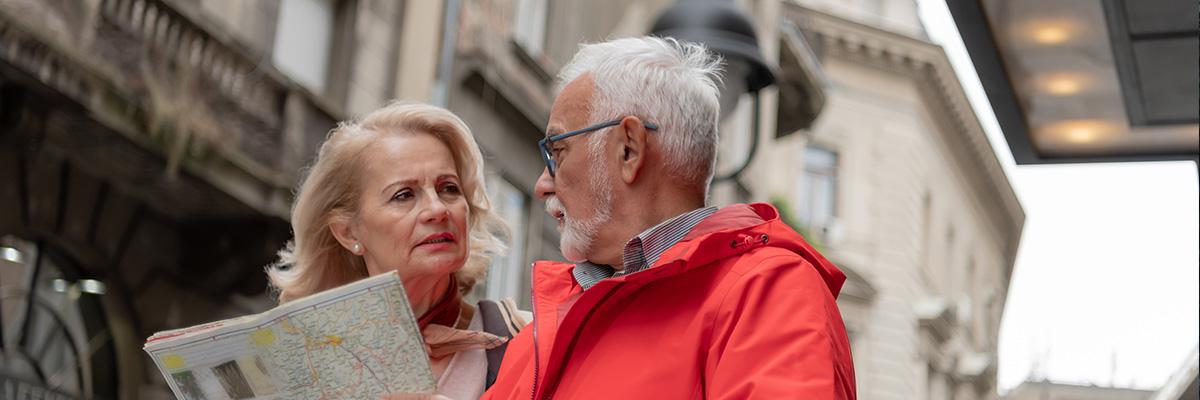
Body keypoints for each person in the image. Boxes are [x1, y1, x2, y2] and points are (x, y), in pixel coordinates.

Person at [481, 37, 857, 399]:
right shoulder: (554, 320)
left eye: (557, 151)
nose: (542, 184)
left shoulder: (770, 294)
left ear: (629, 149)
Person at [267, 102, 526, 399]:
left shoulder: (526, 340)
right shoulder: (303, 363)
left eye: (449, 188)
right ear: (347, 231)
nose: (437, 209)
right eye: (404, 195)